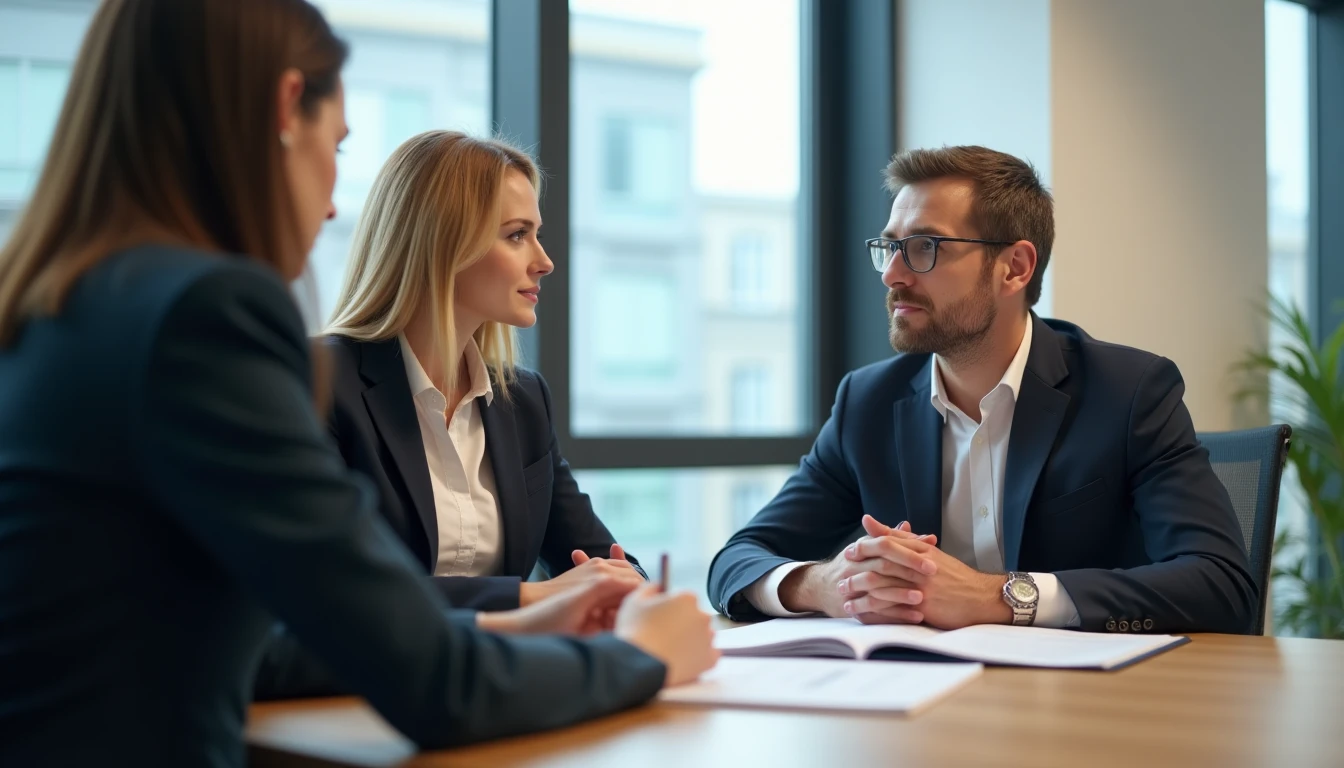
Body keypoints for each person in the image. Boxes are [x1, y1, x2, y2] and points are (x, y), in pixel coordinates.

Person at [0, 1, 716, 765]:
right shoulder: (207, 317)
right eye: (336, 145)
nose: (336, 198)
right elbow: (430, 681)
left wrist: (530, 618)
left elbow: (267, 644)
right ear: (284, 108)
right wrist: (643, 659)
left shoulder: (57, 308)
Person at [707, 145, 1256, 635]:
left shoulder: (1129, 391)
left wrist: (996, 596)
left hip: (1087, 712)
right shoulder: (867, 402)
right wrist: (825, 584)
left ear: (1014, 268)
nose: (892, 274)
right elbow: (737, 561)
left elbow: (1221, 583)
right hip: (922, 711)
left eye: (924, 247)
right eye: (889, 247)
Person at [322, 130, 643, 611]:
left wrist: (627, 584)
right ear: (442, 242)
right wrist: (528, 596)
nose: (545, 262)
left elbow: (595, 557)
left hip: (501, 679)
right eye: (517, 235)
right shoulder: (321, 382)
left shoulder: (524, 400)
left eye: (537, 235)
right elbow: (337, 585)